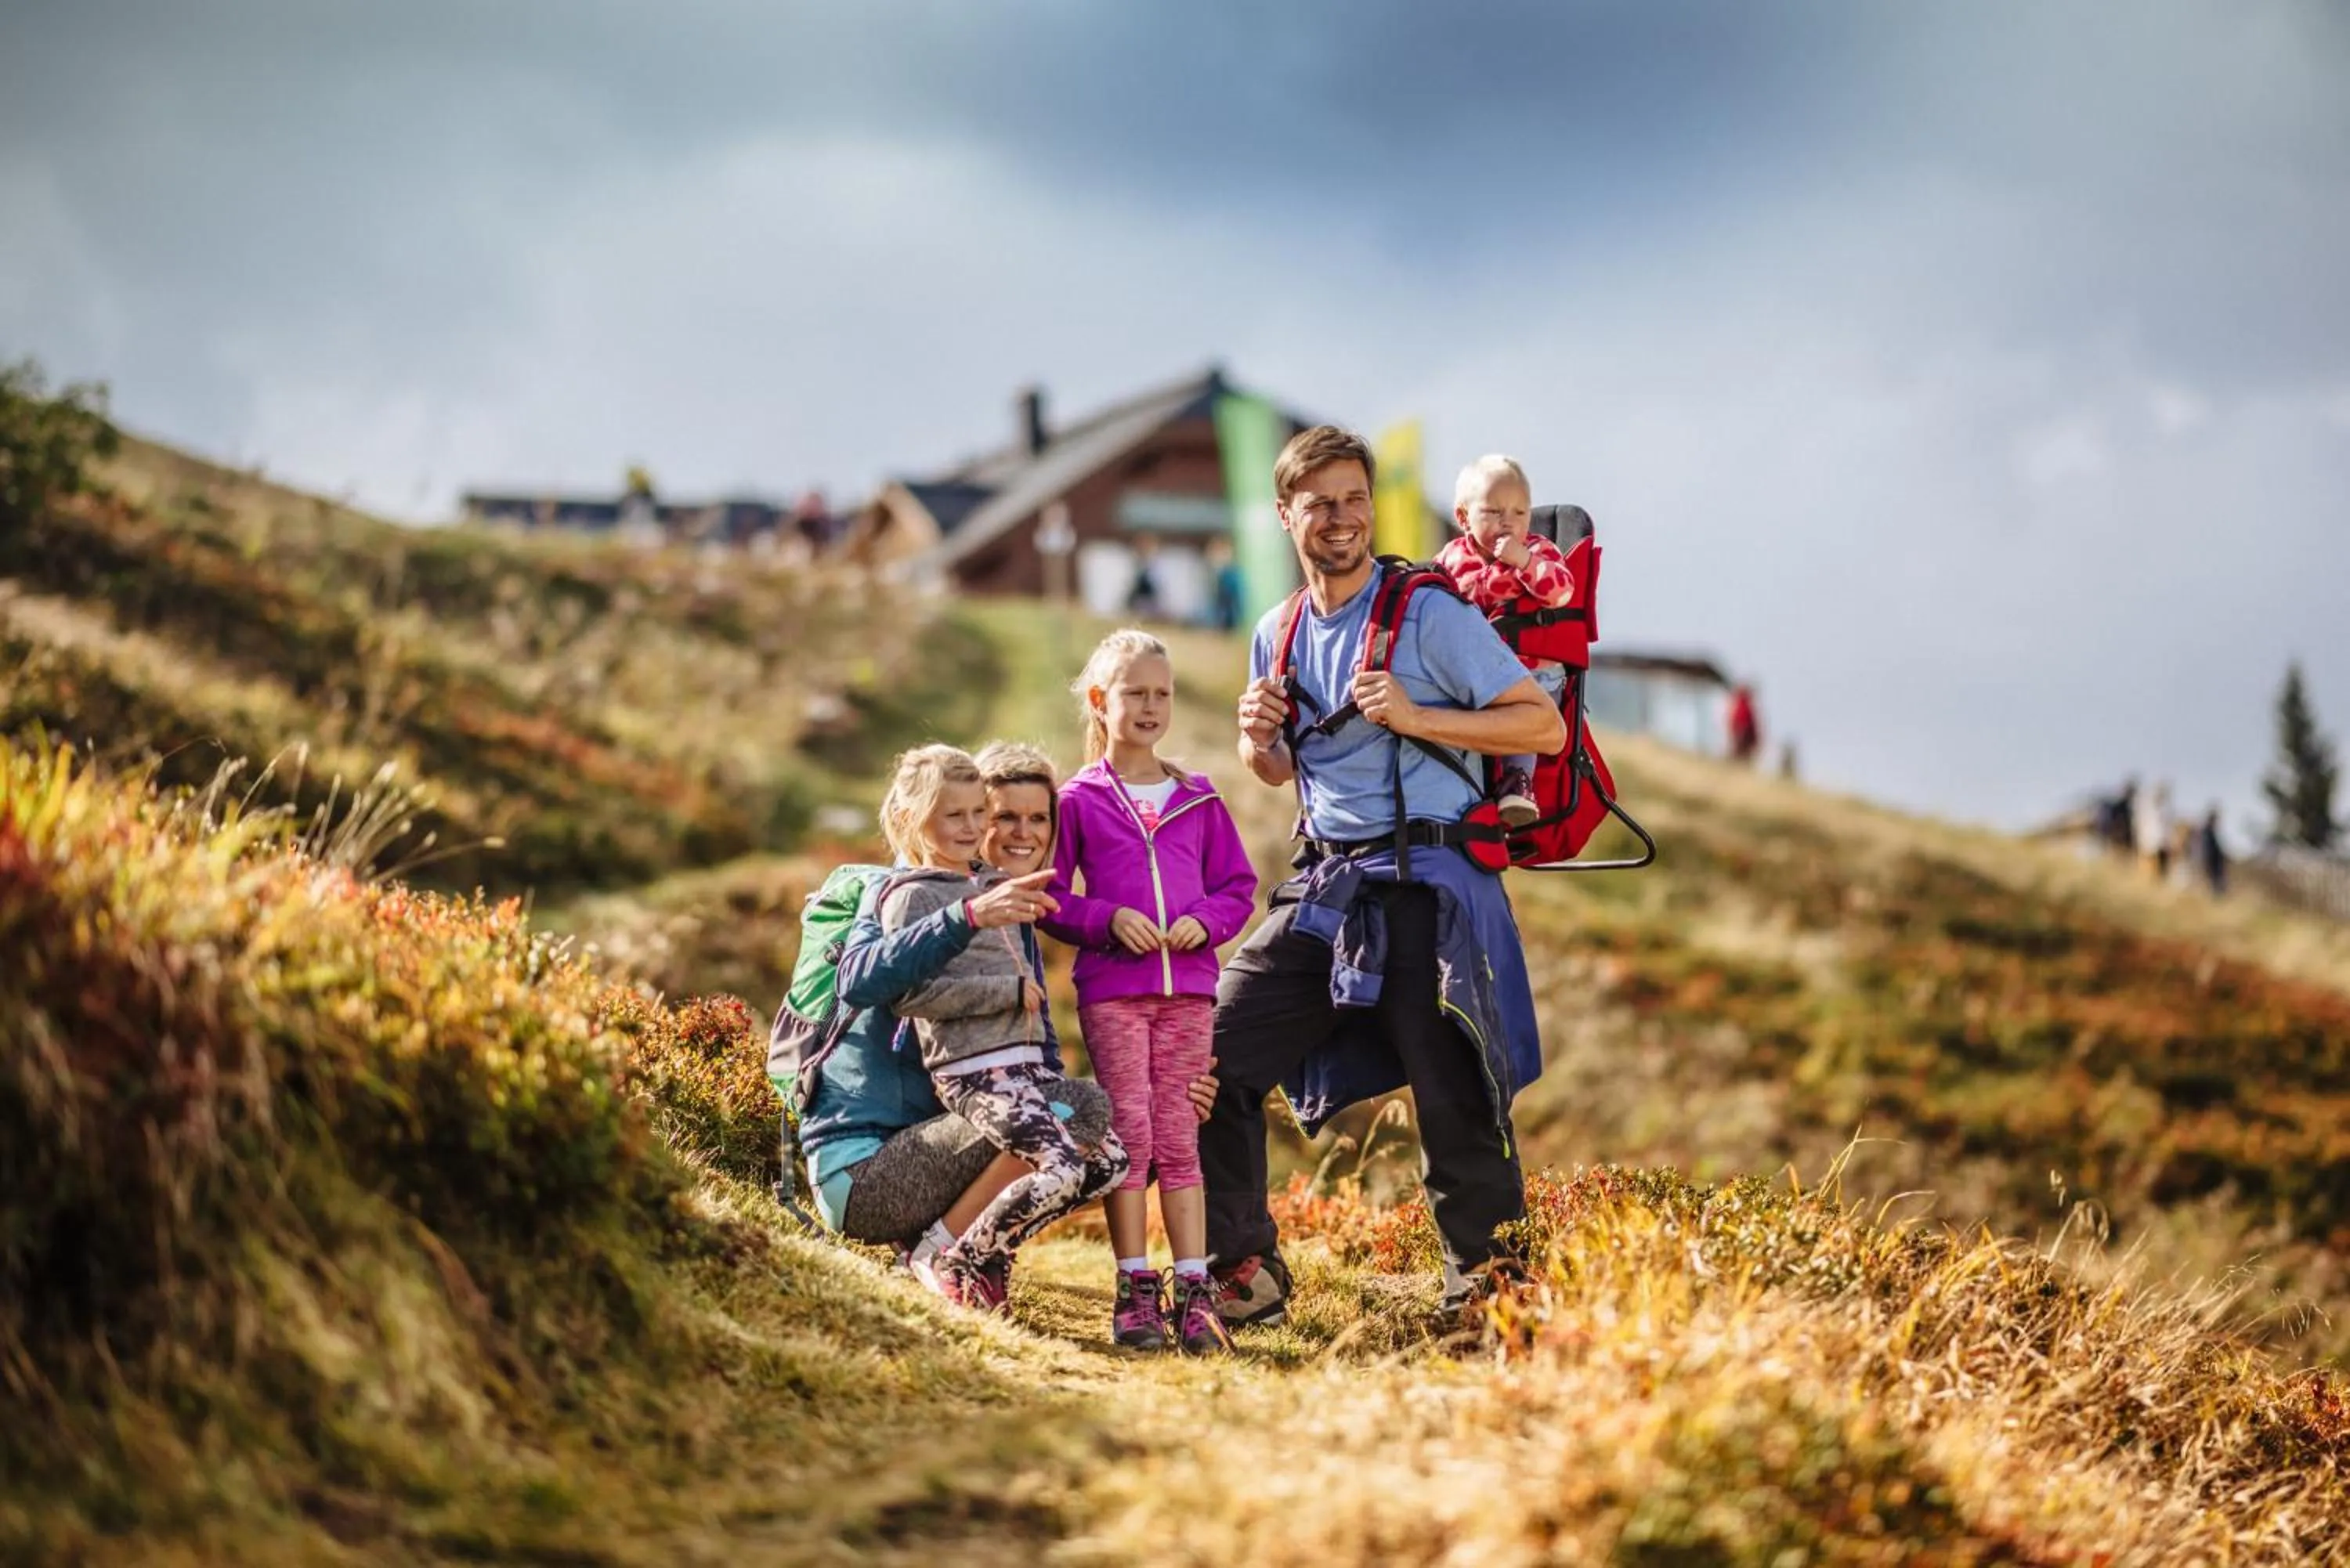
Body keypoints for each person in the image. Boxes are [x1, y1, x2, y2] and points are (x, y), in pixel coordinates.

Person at [1210, 425, 1565, 1328]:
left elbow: (1539, 726)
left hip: (1432, 880)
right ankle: (1242, 1268)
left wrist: (1417, 716)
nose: (1342, 518)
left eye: (1355, 498)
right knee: (1209, 1057)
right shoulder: (1275, 631)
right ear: (1286, 514)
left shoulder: (1434, 614)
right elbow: (1280, 770)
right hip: (1329, 885)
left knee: (1456, 1096)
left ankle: (1491, 1305)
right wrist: (1257, 742)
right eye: (1320, 502)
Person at [804, 742, 1224, 1311]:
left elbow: (1039, 1060)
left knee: (1093, 1118)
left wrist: (1166, 1092)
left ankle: (968, 1248)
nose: (1007, 832)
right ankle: (945, 1253)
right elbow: (864, 981)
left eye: (1033, 819)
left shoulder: (1000, 905)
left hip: (936, 1144)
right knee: (1064, 1131)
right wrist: (969, 921)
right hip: (866, 1171)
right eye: (994, 816)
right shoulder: (902, 893)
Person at [1045, 630, 1260, 1354]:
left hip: (1190, 995)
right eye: (1134, 693)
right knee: (1130, 1137)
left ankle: (1194, 1291)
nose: (1150, 706)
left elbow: (1238, 888)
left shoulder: (1198, 798)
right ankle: (1136, 1288)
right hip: (1113, 994)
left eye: (1161, 693)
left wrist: (1203, 923)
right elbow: (1051, 897)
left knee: (1179, 1137)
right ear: (1101, 702)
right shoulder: (1076, 801)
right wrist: (1108, 921)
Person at [1433, 455, 1574, 828]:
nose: (1508, 522)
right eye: (1494, 512)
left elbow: (1561, 591)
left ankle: (1518, 782)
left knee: (1523, 707)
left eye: (1520, 513)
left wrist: (1524, 561)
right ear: (1463, 518)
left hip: (1534, 674)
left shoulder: (1539, 551)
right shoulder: (1451, 559)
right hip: (1473, 673)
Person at [2193, 805, 2229, 896]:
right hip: (2212, 862)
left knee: (2216, 883)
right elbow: (2208, 849)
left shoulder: (2209, 831)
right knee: (2214, 884)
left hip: (2213, 862)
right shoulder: (2207, 831)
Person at [1726, 683, 1761, 764]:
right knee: (1741, 760)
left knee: (1742, 760)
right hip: (1742, 738)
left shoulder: (1743, 706)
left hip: (1743, 738)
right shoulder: (1743, 706)